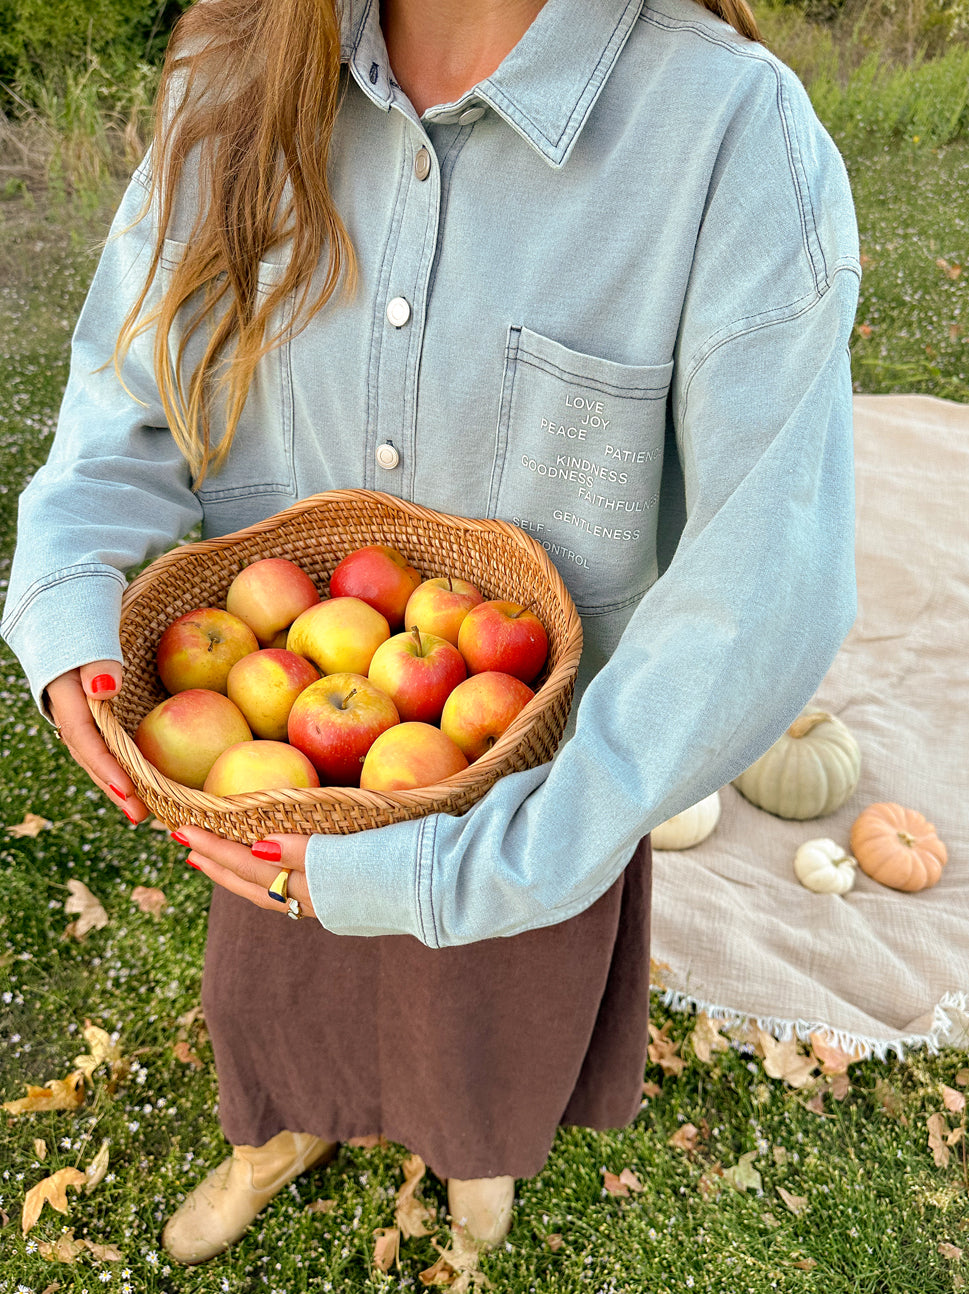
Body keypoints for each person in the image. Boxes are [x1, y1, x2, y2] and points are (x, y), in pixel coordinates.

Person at [1, 0, 860, 1268]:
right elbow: (129, 400)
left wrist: (473, 860)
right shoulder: (231, 79)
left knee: (484, 1045)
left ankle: (474, 1178)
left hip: (529, 810)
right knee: (273, 1005)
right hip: (279, 782)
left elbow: (759, 592)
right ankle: (270, 1144)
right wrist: (70, 591)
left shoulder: (728, 136)